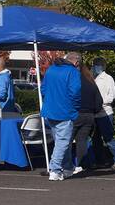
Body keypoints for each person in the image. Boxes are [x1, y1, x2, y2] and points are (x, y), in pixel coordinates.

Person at [39, 51, 81, 181]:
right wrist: (75, 108)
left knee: (61, 142)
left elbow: (43, 89)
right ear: (77, 62)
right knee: (63, 142)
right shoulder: (73, 72)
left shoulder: (51, 69)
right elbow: (75, 92)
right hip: (64, 111)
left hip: (49, 111)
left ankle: (68, 168)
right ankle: (55, 169)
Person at [70, 54, 103, 175]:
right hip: (89, 116)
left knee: (66, 141)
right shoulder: (90, 80)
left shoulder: (73, 80)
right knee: (82, 141)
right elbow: (99, 101)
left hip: (76, 114)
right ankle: (81, 164)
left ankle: (67, 165)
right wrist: (93, 111)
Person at [92, 58, 115, 170]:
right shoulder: (93, 78)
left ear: (103, 66)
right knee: (95, 139)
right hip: (94, 113)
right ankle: (101, 161)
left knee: (109, 138)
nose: (95, 67)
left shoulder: (108, 78)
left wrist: (100, 102)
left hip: (105, 112)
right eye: (95, 65)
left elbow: (112, 95)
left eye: (98, 64)